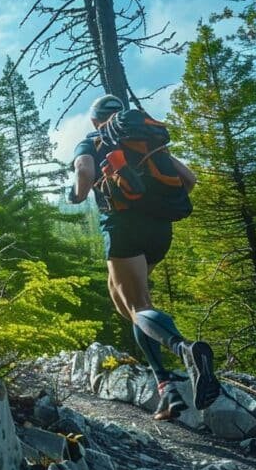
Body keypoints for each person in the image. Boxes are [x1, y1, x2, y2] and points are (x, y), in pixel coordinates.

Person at [70, 94, 220, 420]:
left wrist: (78, 194)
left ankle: (185, 350)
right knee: (133, 305)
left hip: (124, 228)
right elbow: (190, 181)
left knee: (137, 308)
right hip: (160, 233)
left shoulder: (94, 141)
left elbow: (83, 172)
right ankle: (166, 388)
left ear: (97, 120)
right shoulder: (150, 143)